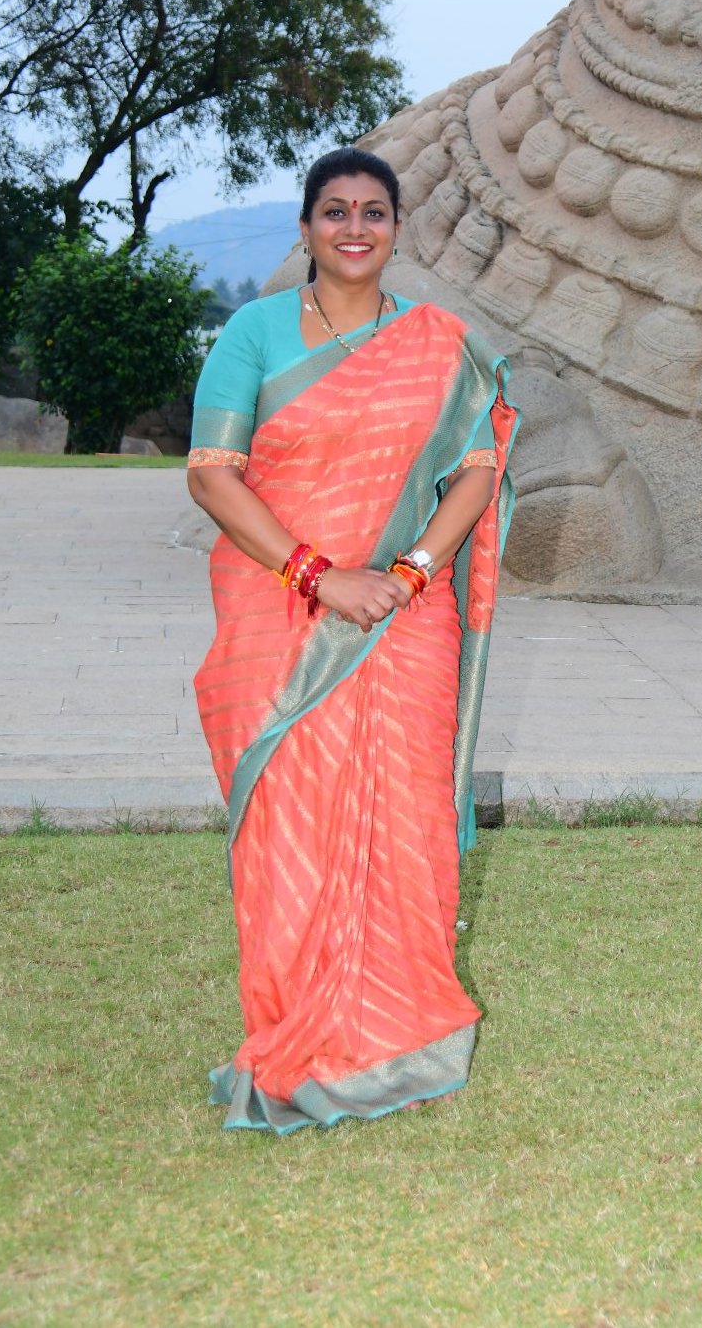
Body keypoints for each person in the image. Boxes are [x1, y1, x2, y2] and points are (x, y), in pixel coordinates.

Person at [188, 145, 517, 1134]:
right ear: (306, 228)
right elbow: (213, 472)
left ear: (397, 227)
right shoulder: (251, 333)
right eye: (335, 211)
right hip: (281, 616)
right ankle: (297, 1030)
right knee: (290, 820)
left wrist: (413, 570)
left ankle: (399, 1036)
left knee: (404, 816)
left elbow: (475, 464)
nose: (356, 226)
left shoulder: (437, 341)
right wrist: (318, 574)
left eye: (375, 210)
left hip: (405, 626)